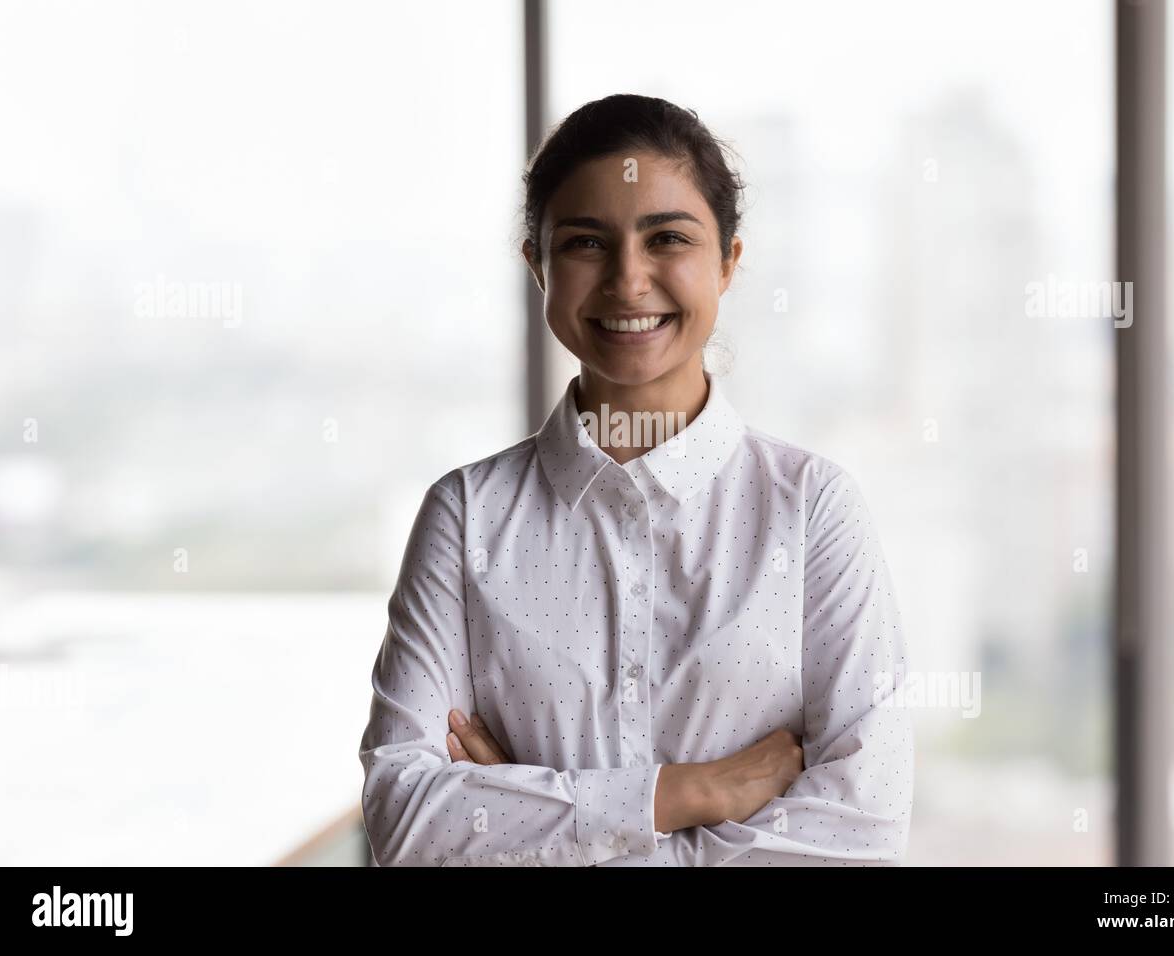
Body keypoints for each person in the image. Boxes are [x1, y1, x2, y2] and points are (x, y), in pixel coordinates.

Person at [358, 93, 913, 866]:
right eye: (586, 243)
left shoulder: (812, 509)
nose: (627, 280)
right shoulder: (466, 517)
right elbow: (405, 823)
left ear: (728, 262)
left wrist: (542, 820)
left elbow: (861, 834)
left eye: (668, 239)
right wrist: (686, 793)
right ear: (537, 266)